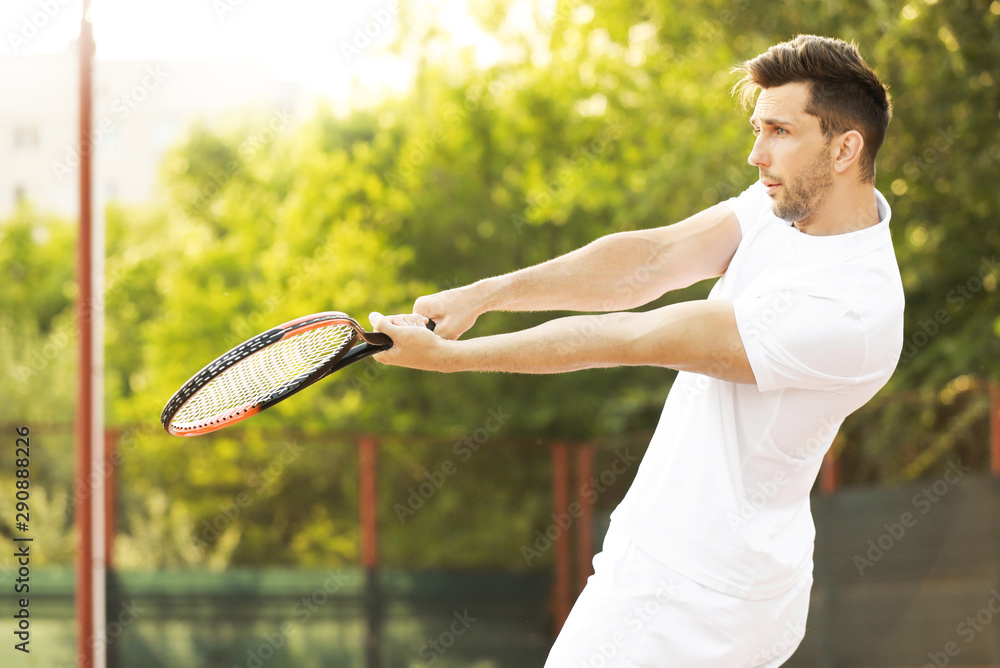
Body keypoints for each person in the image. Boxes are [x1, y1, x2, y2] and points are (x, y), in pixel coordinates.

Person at [369, 34, 902, 667]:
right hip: (679, 564)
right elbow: (651, 261)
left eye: (780, 132)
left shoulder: (851, 309)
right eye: (758, 129)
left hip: (699, 599)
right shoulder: (782, 207)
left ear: (845, 148)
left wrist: (451, 360)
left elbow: (636, 336)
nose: (756, 155)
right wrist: (487, 293)